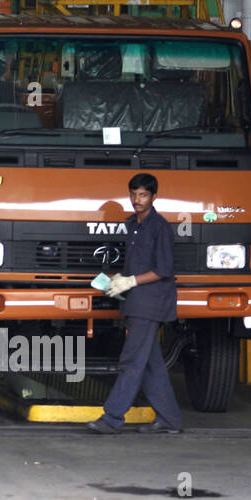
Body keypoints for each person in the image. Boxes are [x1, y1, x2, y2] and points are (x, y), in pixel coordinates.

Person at [86, 173, 184, 435]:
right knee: (151, 364)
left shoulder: (159, 227)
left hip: (150, 303)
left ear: (153, 197)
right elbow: (136, 265)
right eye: (133, 194)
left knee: (131, 362)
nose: (136, 200)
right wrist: (120, 279)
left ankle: (112, 418)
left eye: (142, 195)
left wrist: (130, 282)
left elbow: (163, 269)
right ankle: (170, 419)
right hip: (138, 301)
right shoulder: (134, 224)